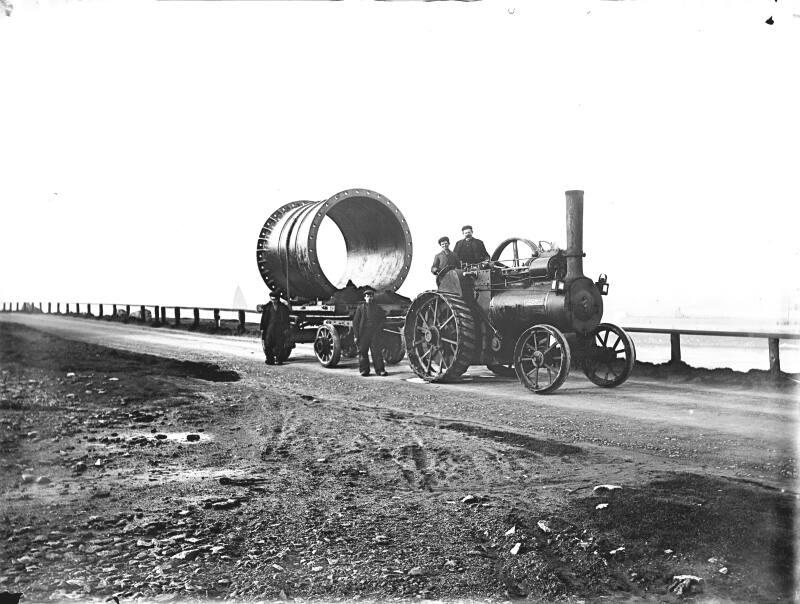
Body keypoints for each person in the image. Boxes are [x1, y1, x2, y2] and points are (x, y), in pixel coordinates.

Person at [353, 287, 387, 377]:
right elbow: (355, 322)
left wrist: (379, 328)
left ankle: (380, 370)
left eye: (371, 296)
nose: (369, 298)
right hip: (363, 333)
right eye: (367, 296)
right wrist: (356, 335)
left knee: (376, 352)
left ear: (373, 297)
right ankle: (364, 370)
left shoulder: (377, 308)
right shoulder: (360, 308)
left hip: (375, 333)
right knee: (363, 352)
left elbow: (383, 319)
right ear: (365, 298)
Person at [260, 290, 290, 365]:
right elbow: (263, 319)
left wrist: (286, 328)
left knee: (280, 344)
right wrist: (262, 328)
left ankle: (279, 360)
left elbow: (286, 320)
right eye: (272, 299)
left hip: (279, 329)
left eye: (275, 299)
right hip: (269, 328)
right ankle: (270, 360)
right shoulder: (267, 307)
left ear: (278, 299)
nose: (273, 301)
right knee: (268, 344)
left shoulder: (283, 308)